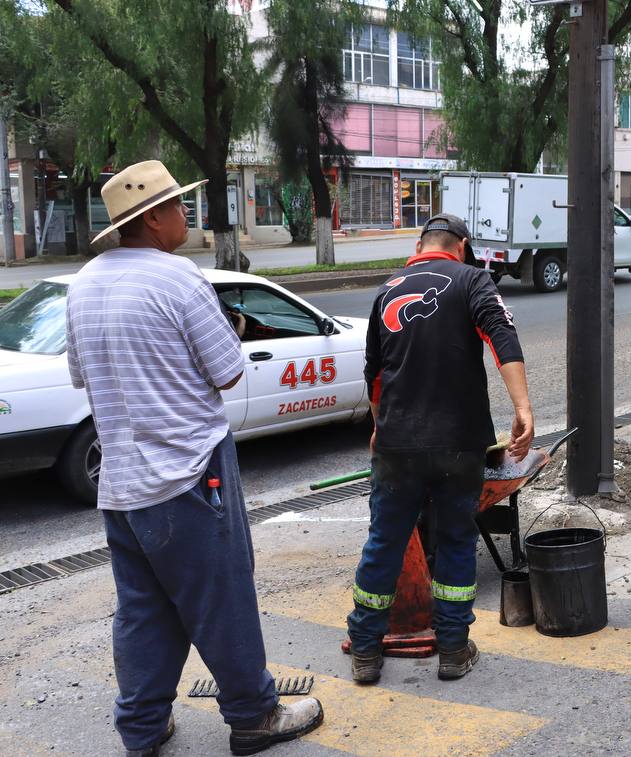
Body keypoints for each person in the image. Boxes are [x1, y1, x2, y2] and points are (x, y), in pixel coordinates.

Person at [65, 161, 323, 757]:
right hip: (188, 471)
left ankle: (142, 728)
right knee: (221, 595)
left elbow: (82, 374)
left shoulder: (86, 282)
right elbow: (230, 371)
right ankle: (255, 716)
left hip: (122, 483)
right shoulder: (179, 279)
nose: (187, 214)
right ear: (152, 217)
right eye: (179, 205)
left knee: (142, 608)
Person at [348, 213, 533, 684]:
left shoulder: (387, 289)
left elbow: (375, 374)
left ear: (419, 245)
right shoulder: (473, 280)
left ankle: (367, 651)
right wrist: (523, 410)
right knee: (454, 542)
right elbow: (502, 338)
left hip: (397, 444)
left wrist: (378, 425)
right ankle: (452, 650)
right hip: (458, 442)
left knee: (384, 543)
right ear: (462, 246)